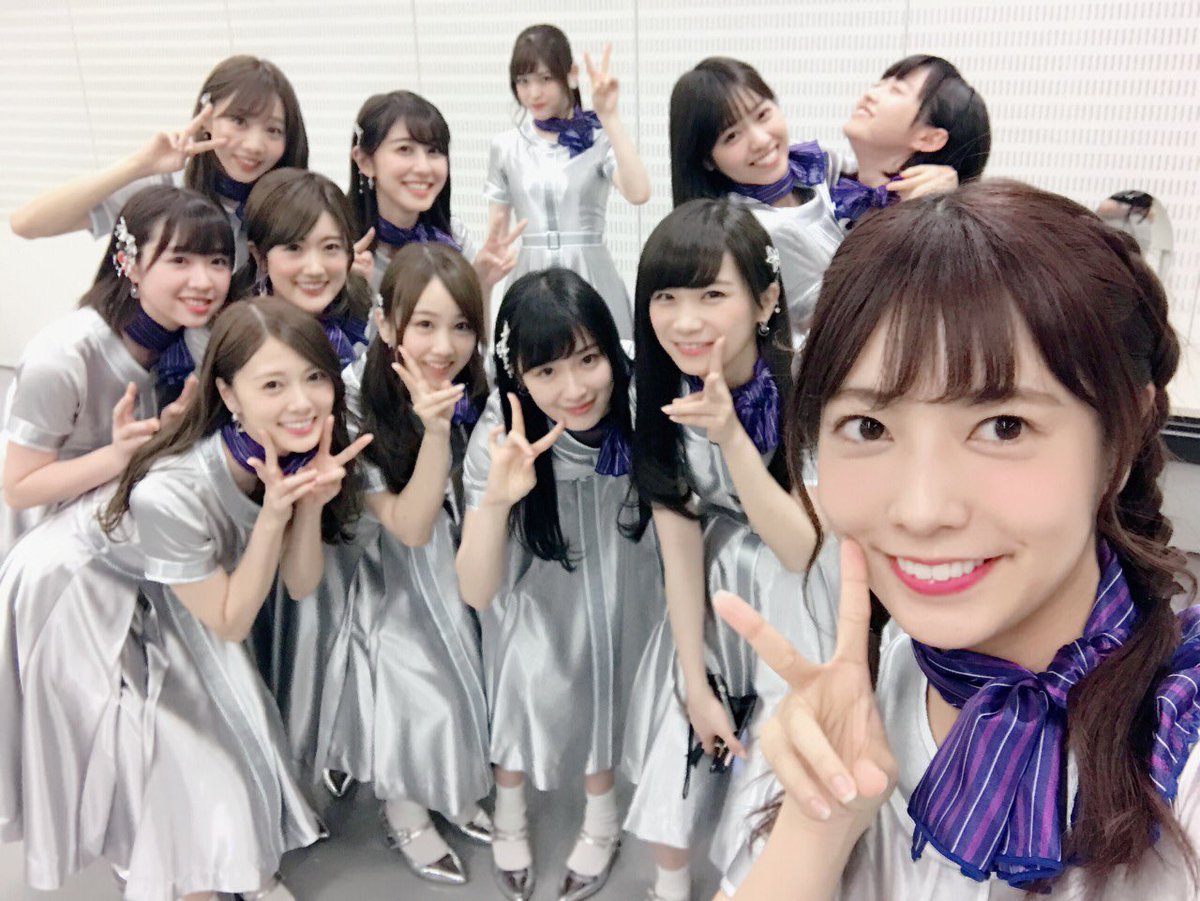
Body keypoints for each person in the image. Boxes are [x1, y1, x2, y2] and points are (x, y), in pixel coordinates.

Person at [715, 180, 1200, 900]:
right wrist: (817, 825)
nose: (921, 510)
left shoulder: (1181, 751)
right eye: (869, 427)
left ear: (1122, 436)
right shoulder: (850, 700)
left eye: (1004, 426)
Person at [620, 198, 837, 901]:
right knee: (683, 730)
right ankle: (670, 885)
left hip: (794, 595)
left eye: (712, 295)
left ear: (765, 300)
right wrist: (692, 676)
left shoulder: (810, 389)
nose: (685, 321)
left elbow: (800, 547)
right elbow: (677, 535)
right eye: (666, 297)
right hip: (711, 586)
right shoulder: (655, 388)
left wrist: (730, 436)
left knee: (780, 754)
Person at [457, 268, 662, 900]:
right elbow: (475, 589)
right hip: (536, 589)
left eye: (588, 359)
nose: (574, 389)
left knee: (611, 687)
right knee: (524, 686)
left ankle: (602, 820)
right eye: (546, 371)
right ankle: (509, 810)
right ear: (517, 374)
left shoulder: (641, 399)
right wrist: (497, 500)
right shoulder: (501, 435)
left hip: (630, 578)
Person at [318, 243, 494, 883]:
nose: (444, 346)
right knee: (410, 679)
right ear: (387, 325)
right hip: (381, 564)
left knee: (467, 672)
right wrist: (438, 433)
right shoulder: (351, 400)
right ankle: (406, 810)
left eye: (461, 326)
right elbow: (407, 525)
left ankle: (451, 783)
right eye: (424, 324)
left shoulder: (473, 385)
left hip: (457, 551)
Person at [669, 55, 987, 339]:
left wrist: (948, 202)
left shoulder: (821, 171)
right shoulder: (757, 230)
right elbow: (843, 322)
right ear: (708, 160)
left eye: (895, 89)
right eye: (731, 136)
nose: (760, 140)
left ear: (930, 138)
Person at [1, 184, 232, 554]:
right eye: (180, 260)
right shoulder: (62, 355)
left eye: (217, 261)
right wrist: (120, 457)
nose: (204, 281)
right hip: (51, 551)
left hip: (125, 533)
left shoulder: (191, 344)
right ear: (129, 264)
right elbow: (18, 488)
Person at [9, 55, 308, 270]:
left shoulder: (295, 206)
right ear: (207, 120)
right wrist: (140, 164)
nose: (254, 145)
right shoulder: (166, 190)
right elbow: (27, 223)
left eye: (273, 130)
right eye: (239, 121)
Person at [486, 25, 650, 338]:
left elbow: (639, 192)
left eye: (545, 79)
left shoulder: (599, 139)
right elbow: (497, 237)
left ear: (571, 75)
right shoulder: (505, 147)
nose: (533, 93)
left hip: (591, 274)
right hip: (529, 276)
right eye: (523, 81)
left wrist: (610, 117)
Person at [348, 90, 523, 301]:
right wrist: (347, 287)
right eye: (404, 149)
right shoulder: (341, 246)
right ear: (365, 162)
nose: (423, 168)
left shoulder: (454, 238)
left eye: (434, 151)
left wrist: (483, 283)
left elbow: (470, 323)